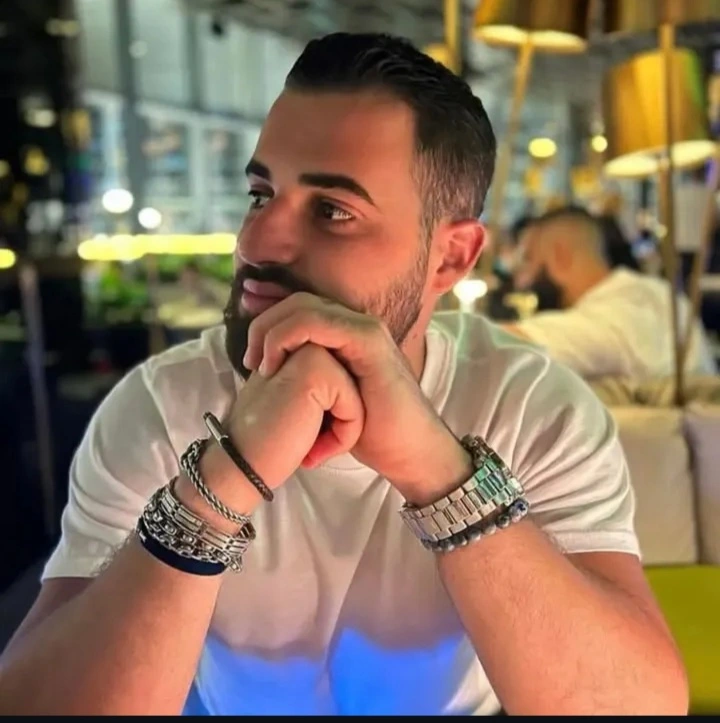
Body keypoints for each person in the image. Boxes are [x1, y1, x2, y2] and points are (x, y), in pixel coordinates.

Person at [0, 34, 687, 716]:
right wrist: (219, 484)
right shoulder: (160, 404)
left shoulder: (532, 406)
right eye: (260, 194)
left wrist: (437, 471)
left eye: (332, 210)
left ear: (450, 257)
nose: (255, 242)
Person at [506, 205, 716, 380]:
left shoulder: (614, 317)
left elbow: (498, 345)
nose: (520, 281)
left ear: (560, 255)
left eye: (529, 259)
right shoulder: (658, 293)